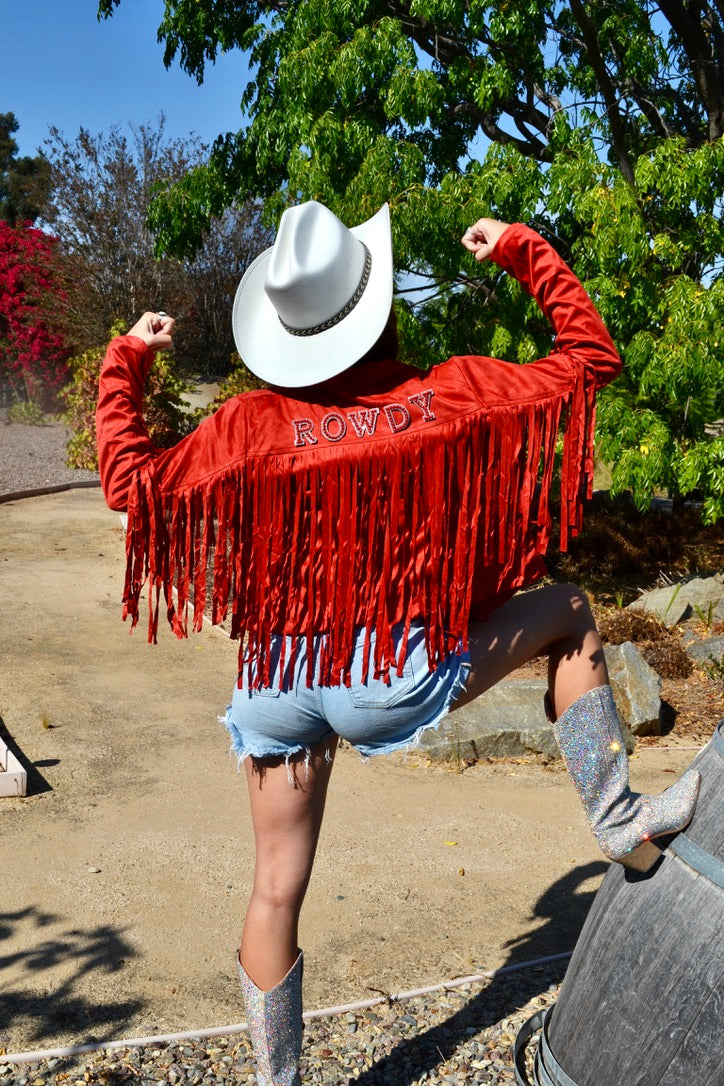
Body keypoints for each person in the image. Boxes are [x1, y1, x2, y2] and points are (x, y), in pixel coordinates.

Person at [96, 204, 699, 1086]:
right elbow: (590, 361)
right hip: (390, 674)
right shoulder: (442, 396)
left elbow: (126, 479)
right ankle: (618, 820)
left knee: (274, 889)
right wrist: (522, 253)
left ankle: (278, 1082)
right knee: (569, 607)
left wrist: (129, 355)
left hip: (278, 681)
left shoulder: (245, 427)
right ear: (370, 307)